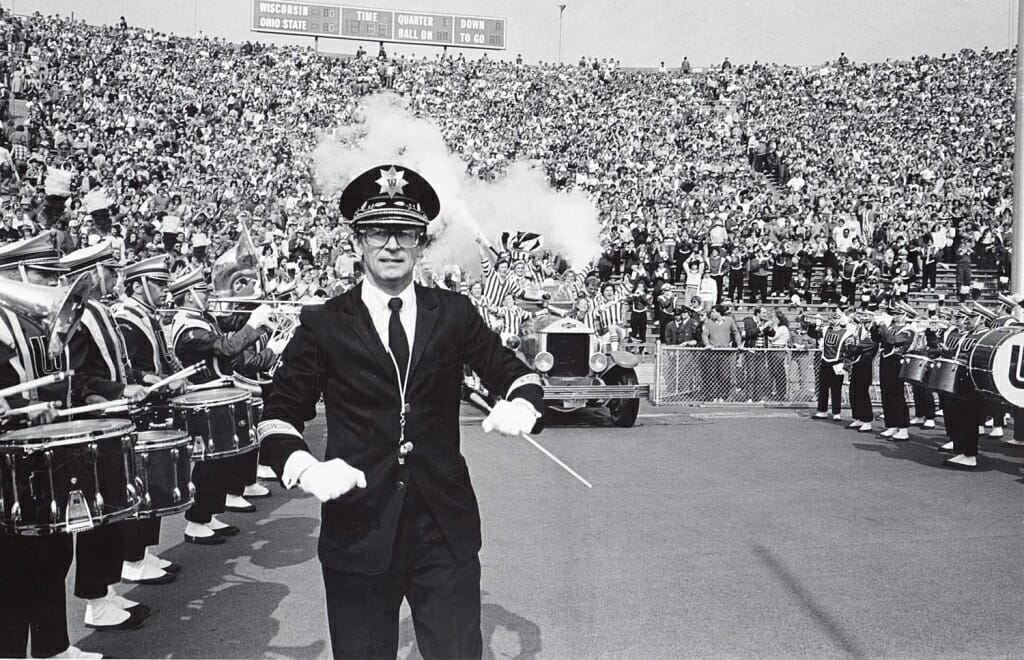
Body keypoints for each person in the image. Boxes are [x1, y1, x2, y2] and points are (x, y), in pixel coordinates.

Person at [258, 165, 545, 659]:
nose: (391, 245)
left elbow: (513, 372)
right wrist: (304, 467)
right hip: (358, 526)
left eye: (406, 233)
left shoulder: (453, 313)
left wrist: (524, 403)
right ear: (356, 243)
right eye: (377, 232)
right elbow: (278, 412)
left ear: (421, 243)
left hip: (443, 528)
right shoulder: (324, 323)